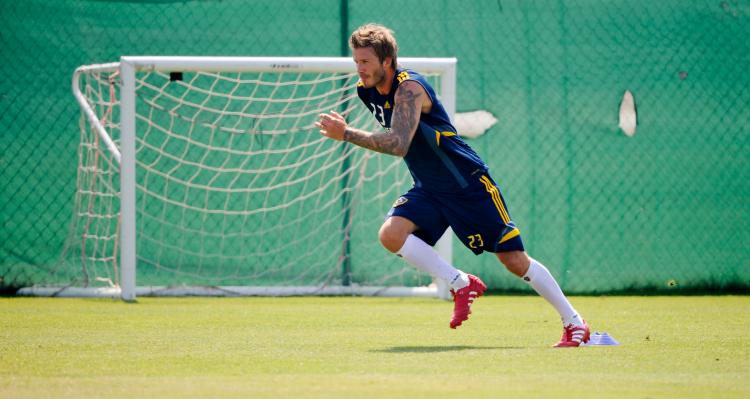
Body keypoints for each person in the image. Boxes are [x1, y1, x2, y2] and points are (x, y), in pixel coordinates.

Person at [316, 23, 590, 347]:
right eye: (356, 61)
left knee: (513, 259)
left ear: (387, 61)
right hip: (430, 188)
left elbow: (399, 143)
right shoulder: (368, 92)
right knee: (391, 234)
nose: (359, 68)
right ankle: (460, 283)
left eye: (365, 62)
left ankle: (575, 324)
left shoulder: (410, 88)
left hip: (467, 183)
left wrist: (346, 133)